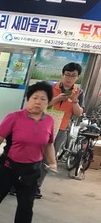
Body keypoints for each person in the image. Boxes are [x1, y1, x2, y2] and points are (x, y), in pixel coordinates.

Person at [0, 82, 56, 223]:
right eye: (34, 98)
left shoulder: (49, 121)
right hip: (9, 168)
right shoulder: (14, 117)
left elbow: (49, 144)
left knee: (26, 207)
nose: (38, 102)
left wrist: (53, 162)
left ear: (48, 103)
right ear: (27, 100)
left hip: (32, 171)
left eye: (43, 99)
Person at [37, 62, 84, 195]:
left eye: (73, 76)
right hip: (41, 126)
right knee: (32, 155)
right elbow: (40, 105)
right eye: (67, 75)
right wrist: (56, 99)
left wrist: (75, 101)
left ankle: (36, 186)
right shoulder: (50, 87)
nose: (69, 78)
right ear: (62, 74)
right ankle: (20, 183)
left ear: (77, 77)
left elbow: (78, 113)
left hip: (60, 129)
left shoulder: (79, 92)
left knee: (47, 158)